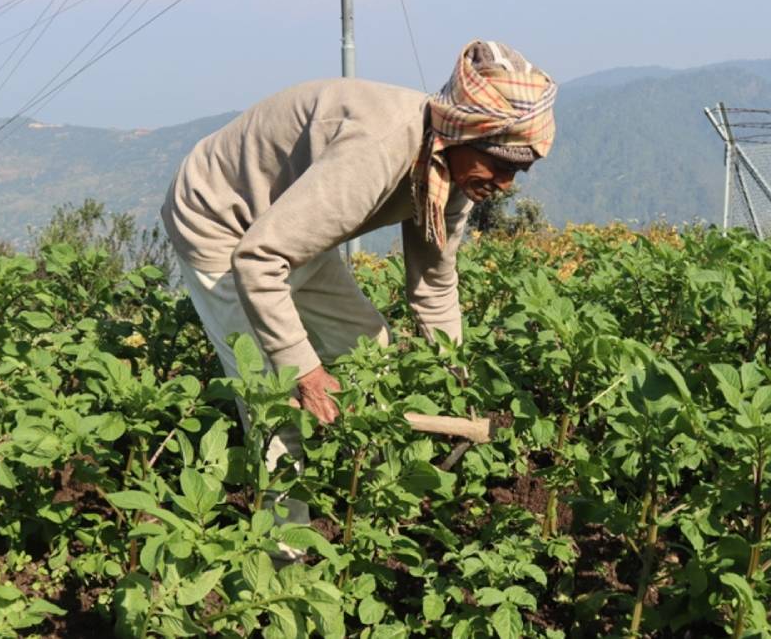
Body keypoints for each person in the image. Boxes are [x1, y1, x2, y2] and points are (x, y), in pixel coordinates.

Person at [160, 39, 556, 537]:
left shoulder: (449, 177)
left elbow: (433, 286)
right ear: (461, 134)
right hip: (222, 222)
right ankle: (287, 561)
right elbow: (259, 259)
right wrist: (306, 372)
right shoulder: (379, 150)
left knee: (372, 349)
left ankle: (370, 509)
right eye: (498, 164)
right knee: (273, 401)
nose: (505, 183)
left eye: (517, 170)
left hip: (283, 229)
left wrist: (458, 381)